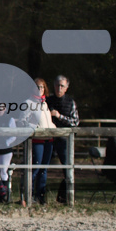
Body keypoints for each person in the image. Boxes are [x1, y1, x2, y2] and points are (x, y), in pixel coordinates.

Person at [46, 74, 79, 203]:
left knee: (68, 168)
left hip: (64, 139)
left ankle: (65, 197)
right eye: (57, 85)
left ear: (66, 87)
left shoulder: (71, 102)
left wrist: (59, 116)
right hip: (48, 138)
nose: (59, 88)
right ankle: (38, 196)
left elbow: (75, 122)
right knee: (41, 166)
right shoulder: (47, 101)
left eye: (62, 86)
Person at [29, 78, 55, 204]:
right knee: (36, 168)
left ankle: (40, 195)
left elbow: (48, 122)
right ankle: (30, 194)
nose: (40, 89)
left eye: (42, 87)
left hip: (48, 139)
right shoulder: (29, 103)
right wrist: (35, 129)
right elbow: (23, 121)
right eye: (37, 87)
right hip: (37, 140)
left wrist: (54, 129)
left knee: (44, 169)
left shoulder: (45, 104)